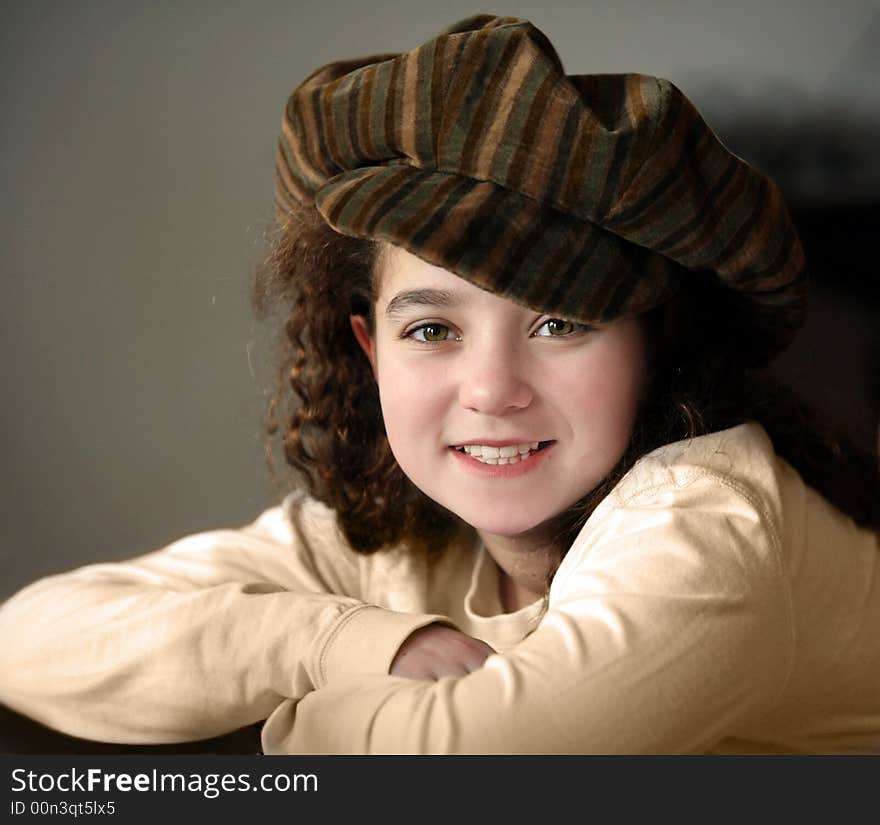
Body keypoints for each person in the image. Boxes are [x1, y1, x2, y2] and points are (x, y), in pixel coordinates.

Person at [1, 14, 878, 754]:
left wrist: (297, 717)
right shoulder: (397, 546)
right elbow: (25, 642)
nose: (492, 390)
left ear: (656, 345)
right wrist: (335, 640)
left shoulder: (716, 518)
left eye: (559, 322)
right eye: (432, 329)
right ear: (369, 349)